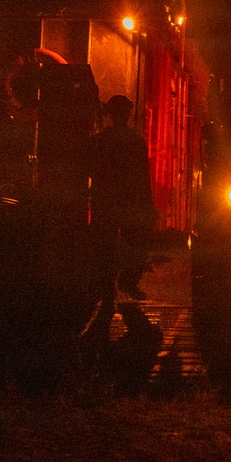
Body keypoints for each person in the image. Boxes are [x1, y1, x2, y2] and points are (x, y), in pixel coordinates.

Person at [85, 94, 157, 345]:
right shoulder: (136, 142)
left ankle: (107, 291)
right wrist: (147, 204)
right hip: (127, 200)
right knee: (135, 244)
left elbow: (89, 170)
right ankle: (127, 281)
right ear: (126, 114)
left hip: (105, 200)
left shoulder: (98, 141)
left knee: (104, 246)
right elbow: (142, 175)